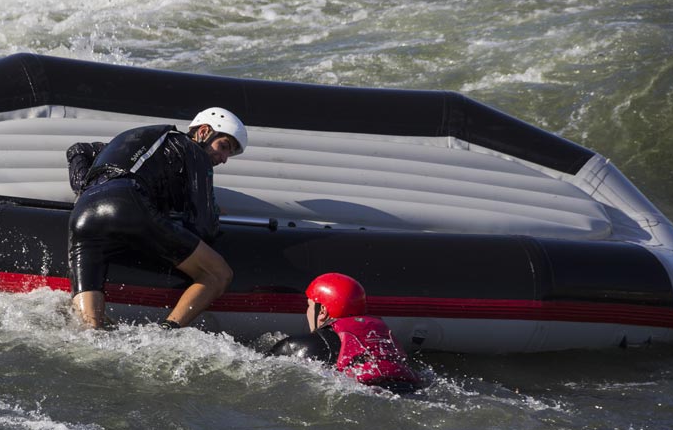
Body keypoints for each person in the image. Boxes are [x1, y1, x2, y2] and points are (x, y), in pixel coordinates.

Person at [66, 107, 248, 329]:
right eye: (224, 147)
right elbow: (203, 227)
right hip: (128, 203)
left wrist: (83, 190)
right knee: (219, 274)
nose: (224, 159)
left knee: (89, 331)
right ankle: (166, 333)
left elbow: (78, 149)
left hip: (83, 214)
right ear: (203, 131)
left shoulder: (140, 140)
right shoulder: (193, 150)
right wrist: (214, 212)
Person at [270, 273, 423, 393]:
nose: (307, 311)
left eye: (309, 305)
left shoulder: (297, 345)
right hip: (409, 391)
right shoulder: (381, 339)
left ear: (322, 311)